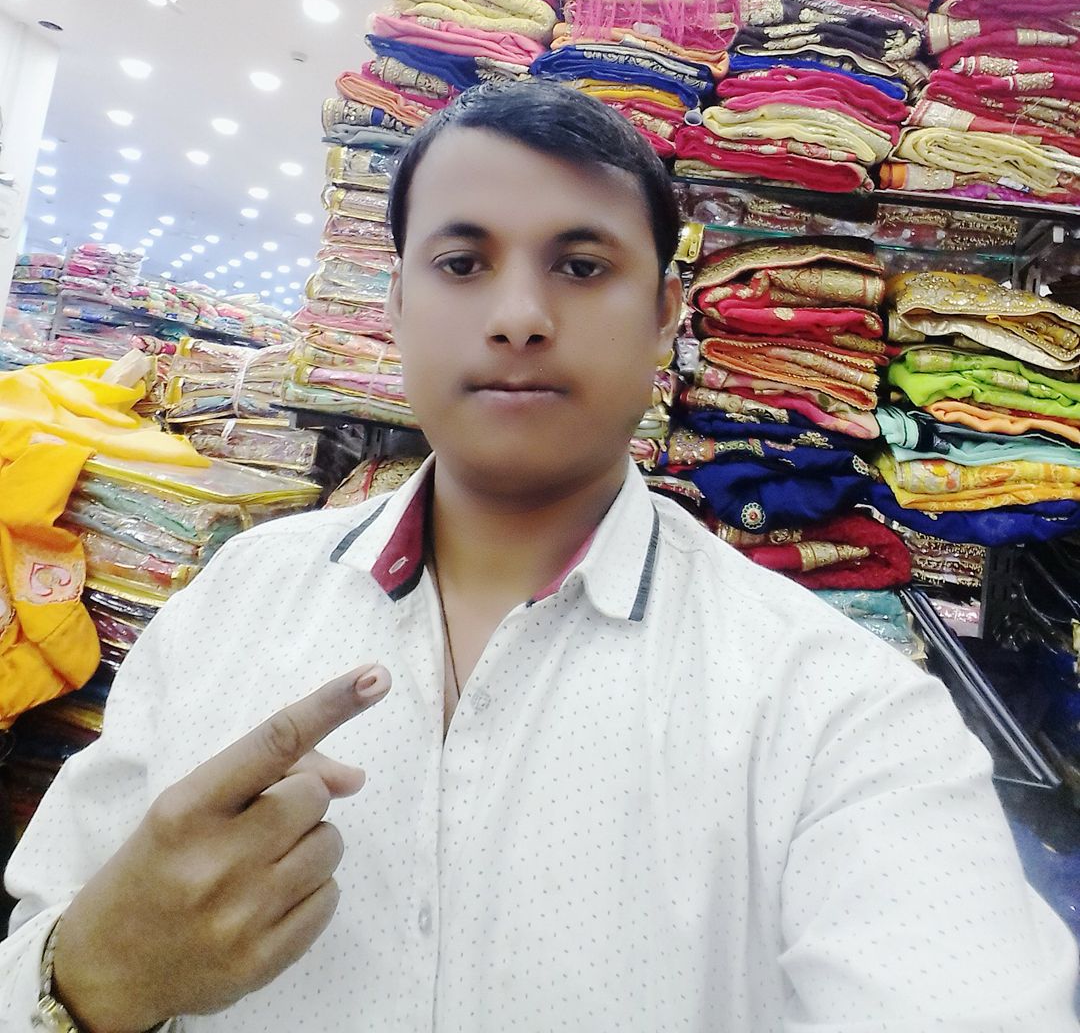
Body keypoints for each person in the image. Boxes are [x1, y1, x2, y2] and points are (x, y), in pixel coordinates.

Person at [3, 81, 1078, 1032]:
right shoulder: (233, 605)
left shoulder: (831, 707)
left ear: (664, 315)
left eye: (580, 264)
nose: (518, 316)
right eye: (461, 264)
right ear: (396, 307)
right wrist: (91, 980)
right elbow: (42, 944)